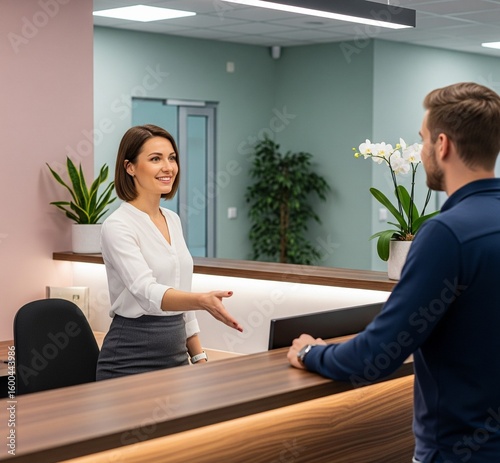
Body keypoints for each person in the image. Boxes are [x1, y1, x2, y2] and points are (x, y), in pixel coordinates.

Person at [287, 82, 500, 462]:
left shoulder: (446, 235)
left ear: (443, 145)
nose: (421, 150)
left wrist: (309, 352)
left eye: (422, 139)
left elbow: (375, 358)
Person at [96, 124, 243, 380]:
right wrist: (201, 300)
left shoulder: (172, 219)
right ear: (130, 167)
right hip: (128, 359)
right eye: (155, 159)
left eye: (172, 158)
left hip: (176, 358)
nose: (168, 167)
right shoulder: (118, 225)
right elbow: (146, 291)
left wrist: (199, 358)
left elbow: (180, 297)